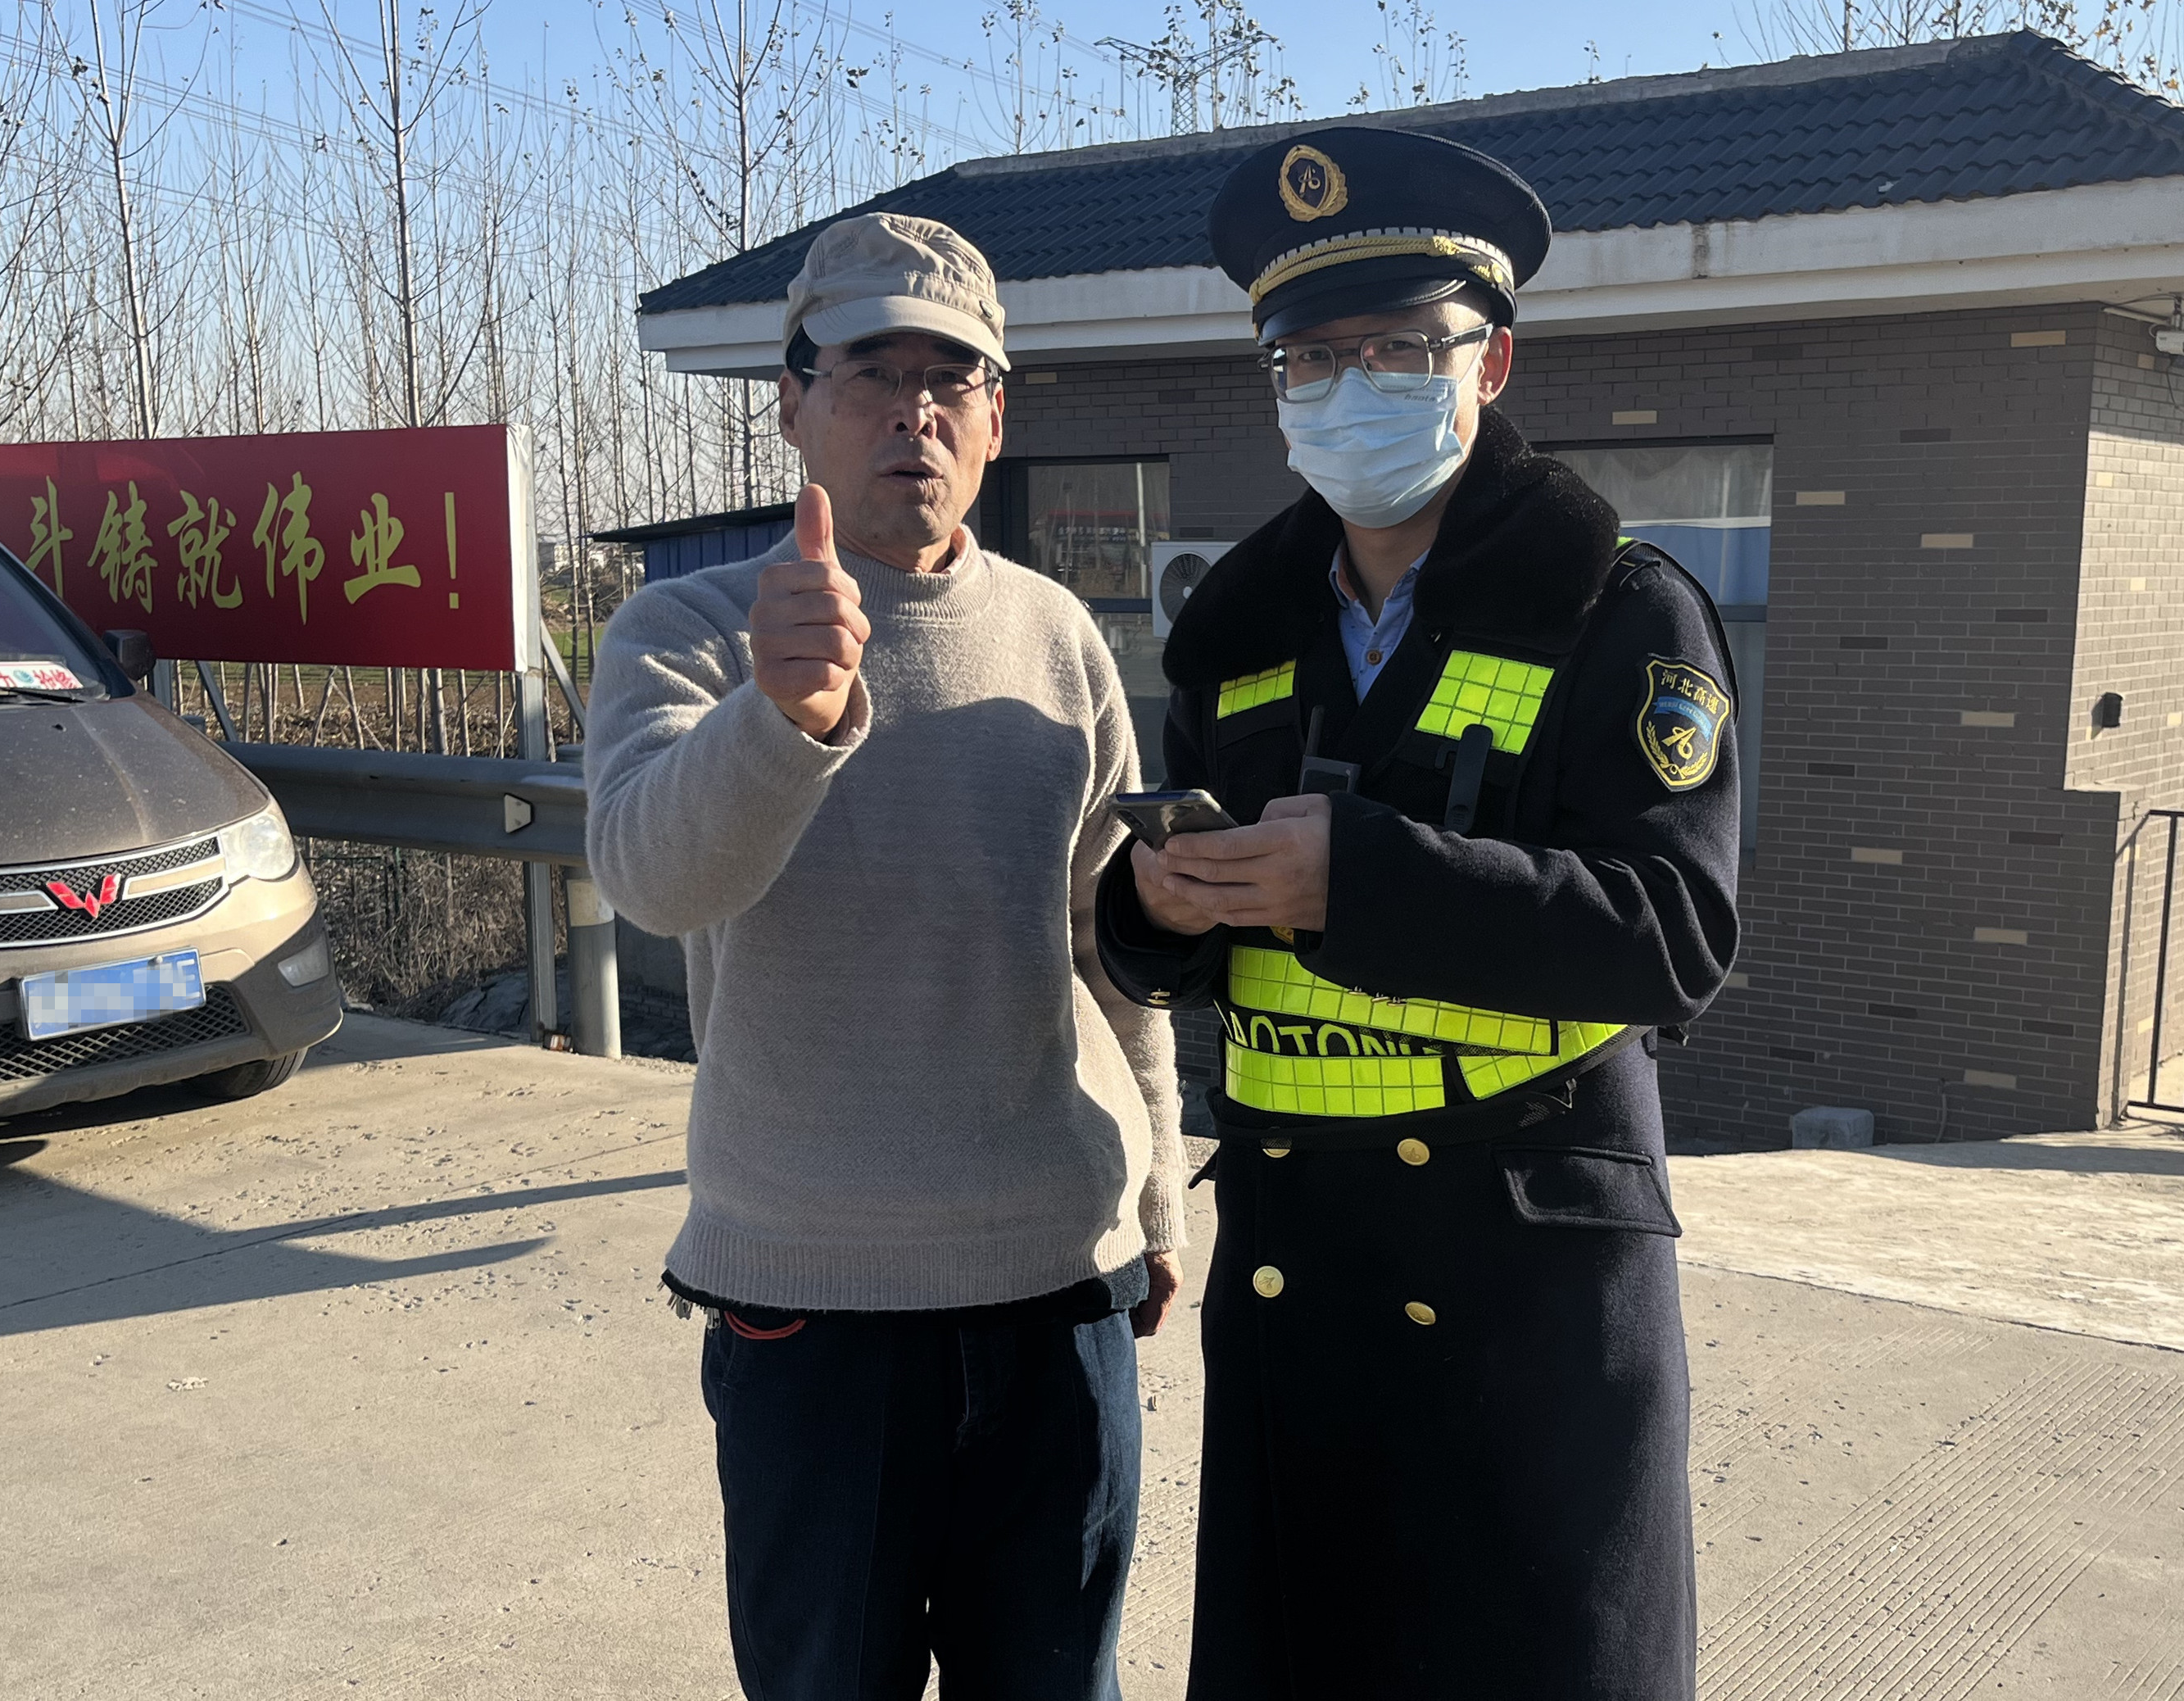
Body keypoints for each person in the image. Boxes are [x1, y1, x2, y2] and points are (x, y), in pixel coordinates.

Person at [1094, 126, 1742, 1697]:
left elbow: (1675, 935)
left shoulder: (1616, 602)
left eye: (1395, 347)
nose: (1347, 388)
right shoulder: (1236, 626)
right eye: (1309, 360)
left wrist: (1367, 880)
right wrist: (1157, 905)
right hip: (1301, 1267)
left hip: (1529, 1276)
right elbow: (1190, 927)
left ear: (1490, 362)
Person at [583, 211, 1185, 1701]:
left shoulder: (1059, 636)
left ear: (996, 418)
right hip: (813, 1297)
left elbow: (1109, 945)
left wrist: (1160, 1186)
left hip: (1057, 1281)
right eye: (871, 372)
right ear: (792, 403)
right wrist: (781, 715)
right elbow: (654, 878)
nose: (915, 409)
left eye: (951, 376)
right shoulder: (690, 629)